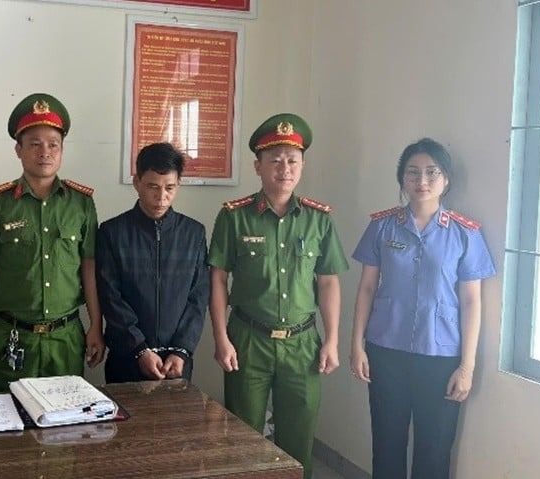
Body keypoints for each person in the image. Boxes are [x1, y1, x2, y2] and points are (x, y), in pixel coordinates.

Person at [207, 113, 349, 479]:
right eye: (275, 160)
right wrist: (221, 338)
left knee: (298, 441)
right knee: (243, 438)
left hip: (302, 343)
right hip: (248, 340)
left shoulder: (319, 219)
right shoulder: (234, 217)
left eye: (292, 160)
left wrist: (332, 340)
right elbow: (218, 279)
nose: (284, 169)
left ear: (302, 165)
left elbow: (328, 282)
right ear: (258, 166)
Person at [350, 138, 496, 479]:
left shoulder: (465, 233)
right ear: (402, 179)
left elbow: (472, 301)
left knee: (435, 449)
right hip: (386, 351)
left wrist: (467, 367)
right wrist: (356, 346)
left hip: (441, 357)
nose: (422, 181)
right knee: (386, 444)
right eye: (413, 172)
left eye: (432, 172)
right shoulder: (382, 226)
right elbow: (367, 288)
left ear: (446, 179)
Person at [0, 93, 105, 393]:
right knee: (6, 417)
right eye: (35, 144)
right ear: (19, 150)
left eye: (53, 145)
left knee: (64, 418)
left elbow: (89, 268)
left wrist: (96, 326)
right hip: (9, 338)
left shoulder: (81, 204)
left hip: (65, 339)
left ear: (62, 151)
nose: (45, 152)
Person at [96, 142, 209, 383]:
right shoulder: (112, 232)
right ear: (137, 182)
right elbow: (110, 296)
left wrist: (182, 350)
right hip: (126, 358)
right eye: (152, 187)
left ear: (179, 184)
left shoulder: (194, 233)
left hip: (176, 362)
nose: (161, 197)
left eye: (169, 187)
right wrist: (139, 349)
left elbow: (197, 298)